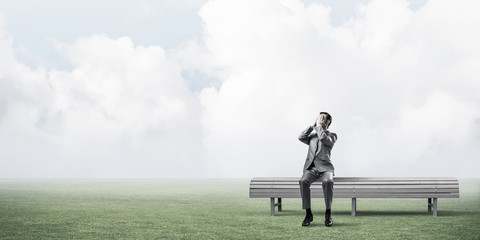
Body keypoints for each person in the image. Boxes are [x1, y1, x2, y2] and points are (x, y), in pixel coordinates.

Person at [298, 112, 337, 227]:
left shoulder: (332, 135)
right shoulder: (312, 136)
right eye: (320, 117)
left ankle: (328, 213)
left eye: (324, 118)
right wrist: (312, 125)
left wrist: (319, 126)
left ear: (328, 122)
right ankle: (308, 213)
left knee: (328, 181)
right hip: (311, 168)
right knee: (303, 181)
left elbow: (323, 138)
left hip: (326, 168)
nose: (321, 119)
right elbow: (301, 137)